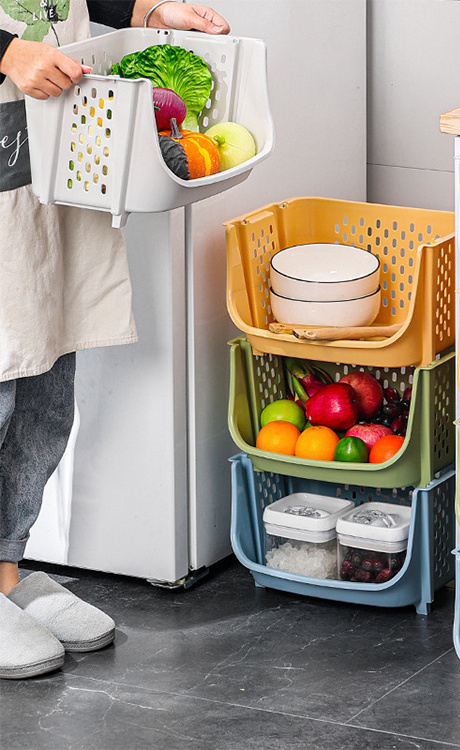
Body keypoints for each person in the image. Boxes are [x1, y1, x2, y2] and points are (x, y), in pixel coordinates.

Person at [0, 0, 230, 679]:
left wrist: (147, 9)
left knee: (46, 379)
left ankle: (7, 573)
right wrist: (7, 52)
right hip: (15, 110)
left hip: (45, 144)